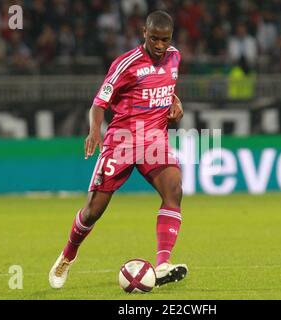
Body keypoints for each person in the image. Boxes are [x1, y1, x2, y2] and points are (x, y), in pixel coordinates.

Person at [49, 10, 187, 289]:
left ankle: (162, 264)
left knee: (174, 191)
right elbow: (99, 102)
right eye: (155, 39)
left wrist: (175, 104)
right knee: (93, 210)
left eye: (165, 39)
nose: (160, 45)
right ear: (144, 34)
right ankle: (67, 255)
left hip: (154, 141)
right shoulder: (126, 64)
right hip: (122, 142)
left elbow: (166, 87)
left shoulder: (175, 57)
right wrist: (94, 131)